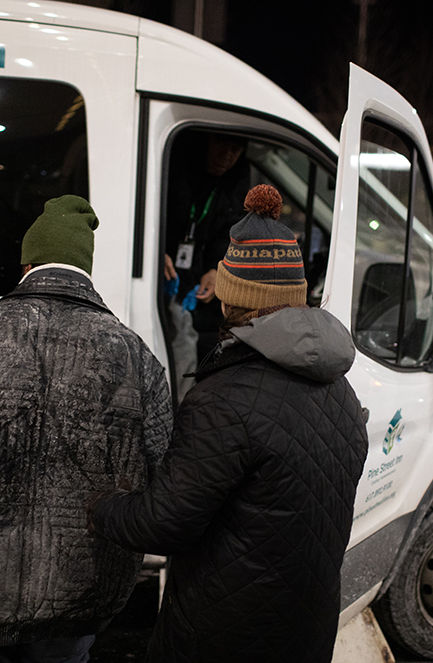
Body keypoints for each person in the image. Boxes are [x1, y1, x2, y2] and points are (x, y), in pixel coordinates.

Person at [90, 185, 370, 663]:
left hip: (225, 637)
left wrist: (102, 505)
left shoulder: (225, 399)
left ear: (229, 295)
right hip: (306, 631)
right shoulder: (340, 390)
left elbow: (164, 523)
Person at [0, 195, 172, 663]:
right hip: (80, 583)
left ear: (27, 262)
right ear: (85, 267)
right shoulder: (132, 353)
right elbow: (161, 464)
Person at [164, 131, 250, 397]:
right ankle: (178, 408)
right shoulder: (172, 165)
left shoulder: (234, 181)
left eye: (235, 149)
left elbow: (227, 228)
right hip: (157, 268)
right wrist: (157, 251)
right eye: (221, 144)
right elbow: (147, 212)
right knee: (182, 334)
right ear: (205, 142)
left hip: (189, 276)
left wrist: (215, 268)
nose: (227, 156)